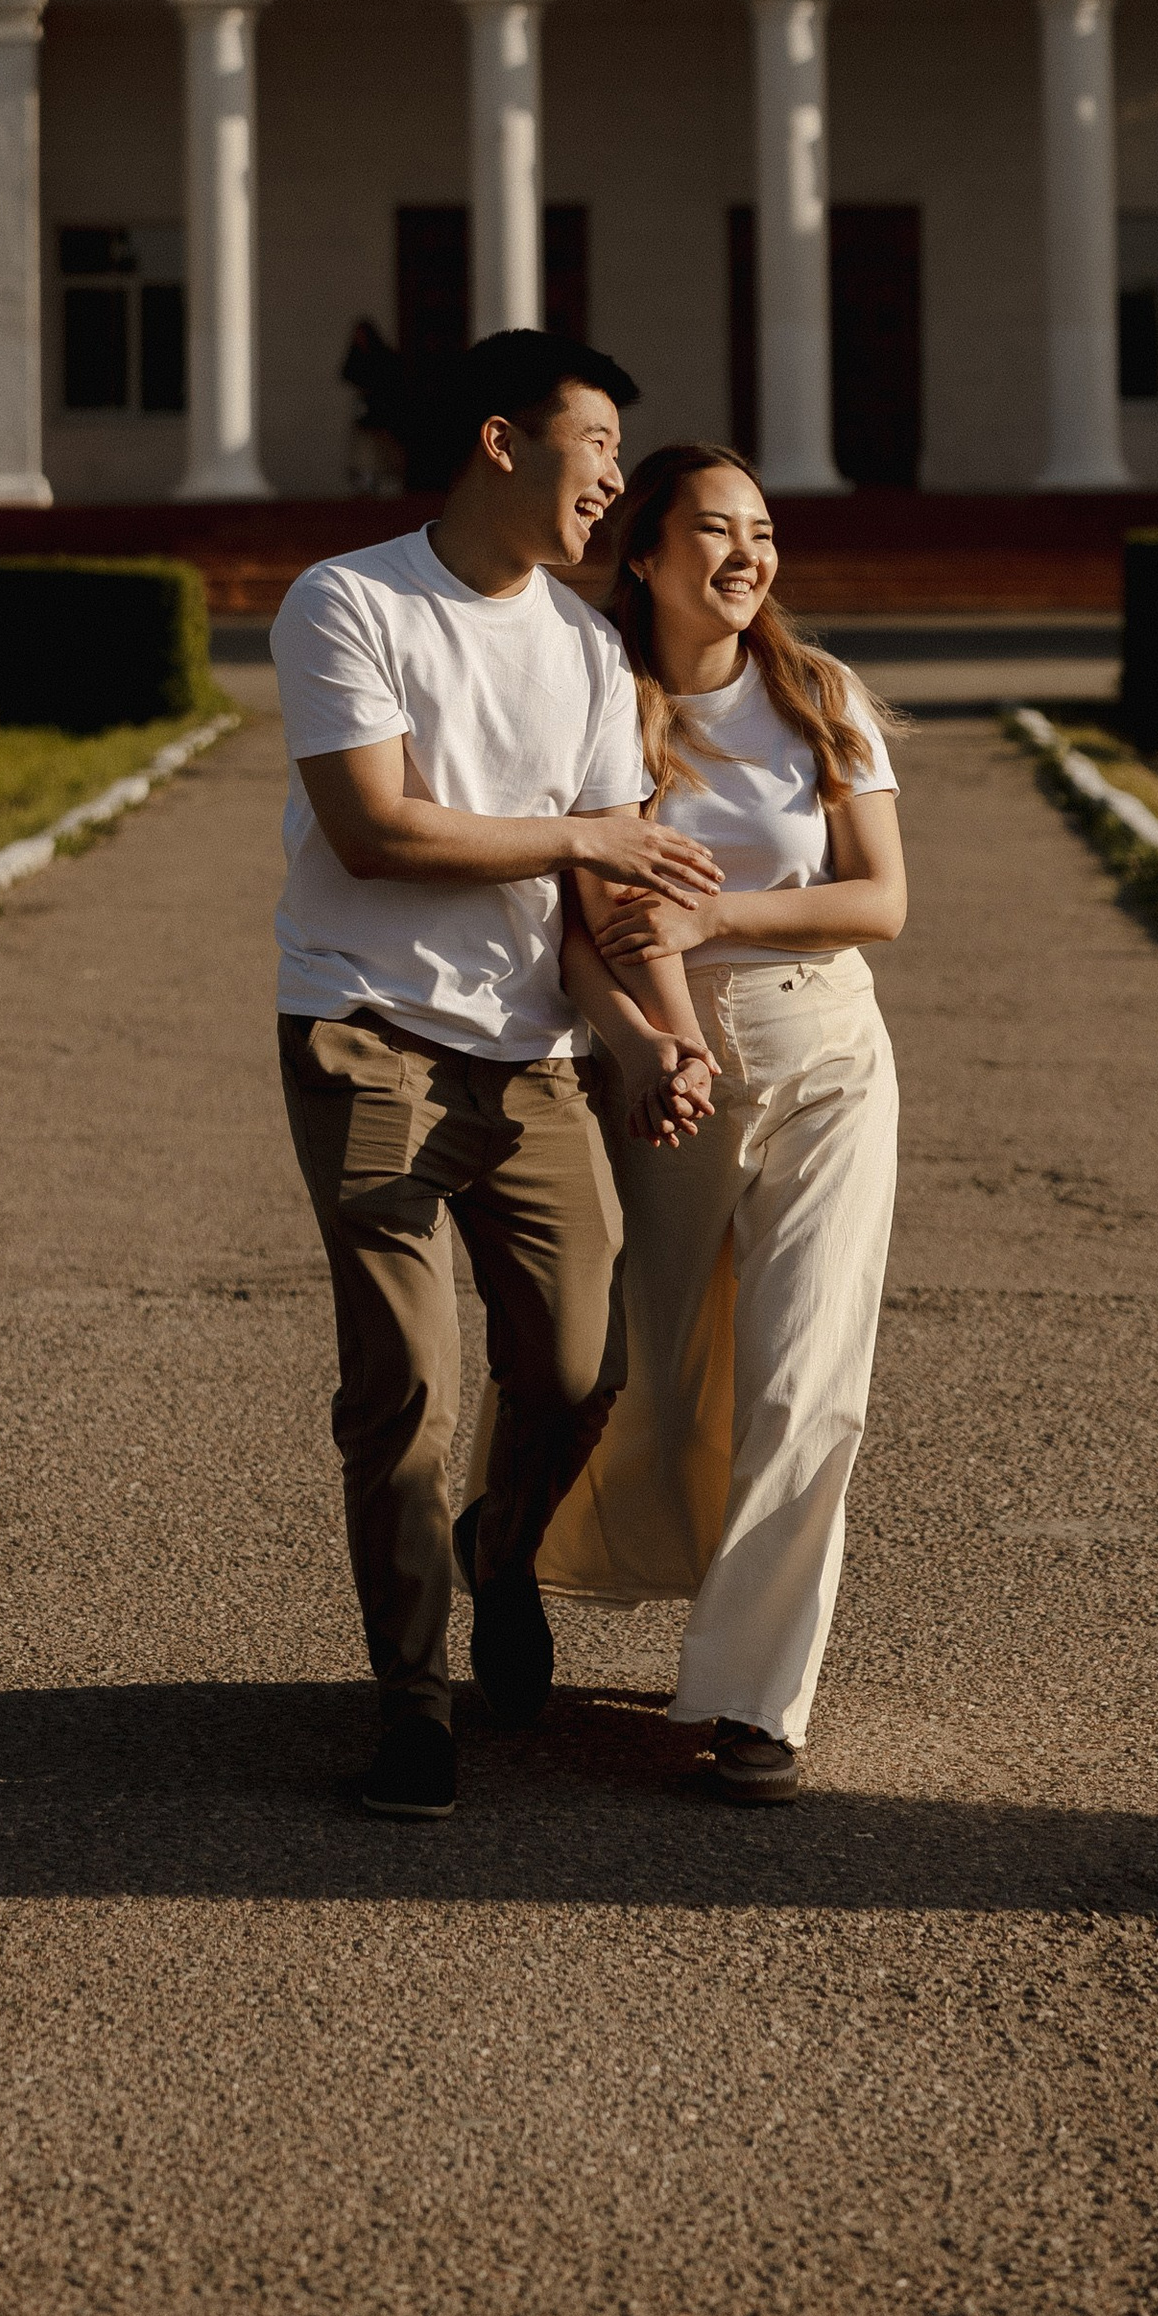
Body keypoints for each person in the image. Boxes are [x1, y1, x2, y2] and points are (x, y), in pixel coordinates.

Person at [272, 330, 726, 1826]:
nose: (612, 477)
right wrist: (583, 839)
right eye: (593, 443)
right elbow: (377, 833)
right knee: (404, 1387)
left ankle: (502, 1547)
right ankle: (414, 1707)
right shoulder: (349, 601)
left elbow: (609, 900)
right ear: (499, 443)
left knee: (578, 1369)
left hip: (528, 1053)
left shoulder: (588, 650)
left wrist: (659, 1032)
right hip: (366, 1034)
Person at [543, 439, 905, 1807]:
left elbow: (880, 901)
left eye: (761, 531)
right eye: (713, 530)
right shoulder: (598, 705)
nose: (746, 555)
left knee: (807, 1375)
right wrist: (653, 1038)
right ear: (643, 554)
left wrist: (721, 915)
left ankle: (756, 1701)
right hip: (663, 1071)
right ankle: (508, 1541)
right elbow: (578, 929)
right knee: (632, 1369)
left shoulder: (818, 696)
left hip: (828, 1056)